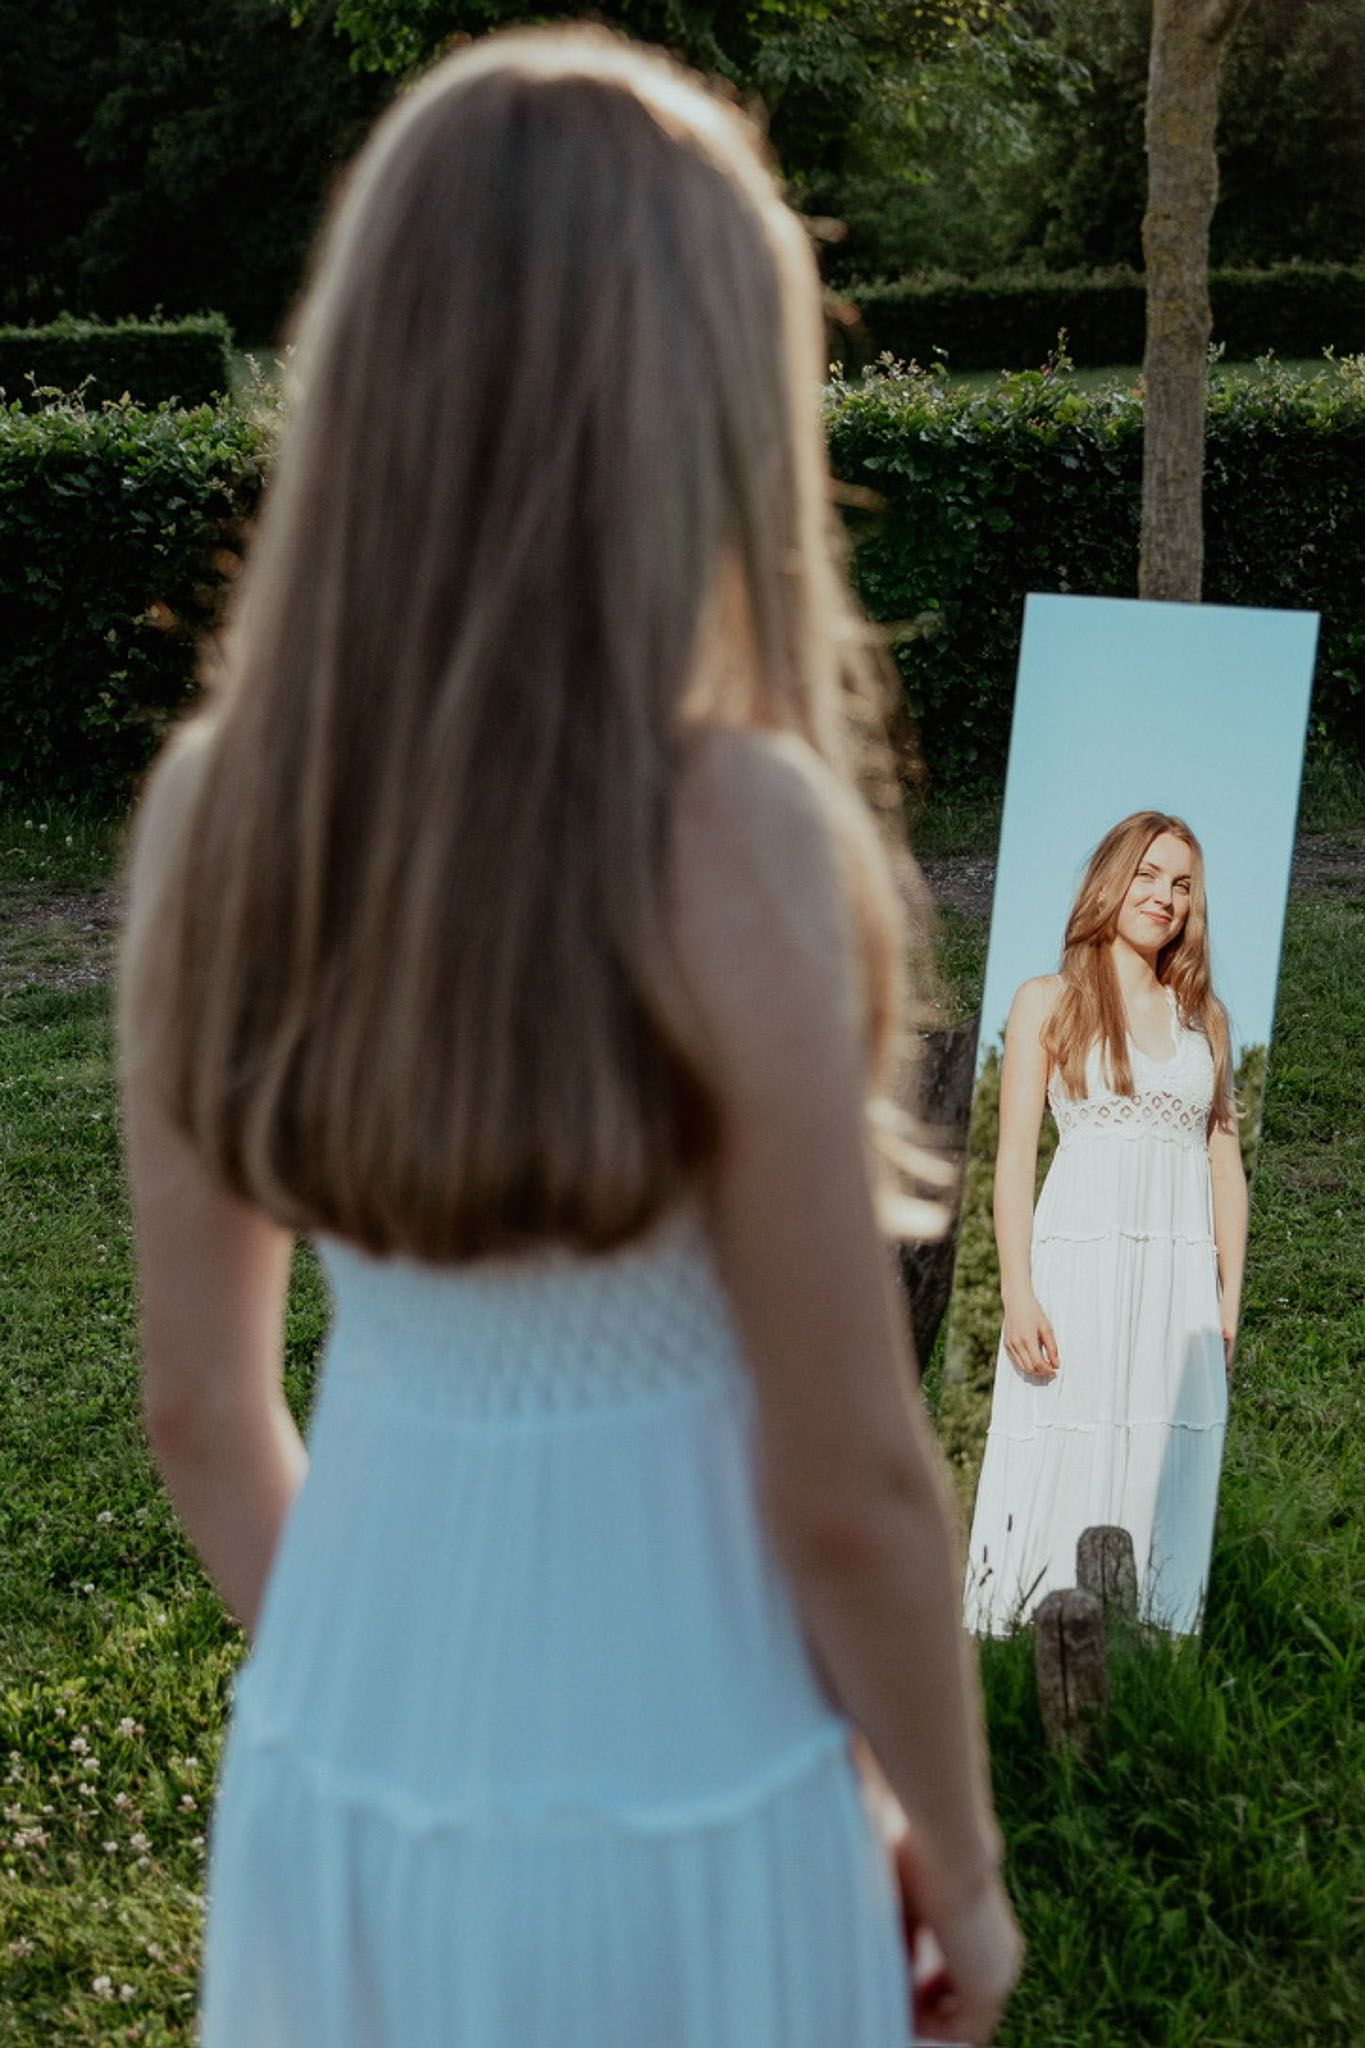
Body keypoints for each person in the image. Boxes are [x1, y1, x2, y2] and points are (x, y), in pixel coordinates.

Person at [115, 22, 1022, 2046]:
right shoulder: (740, 832)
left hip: (338, 1782)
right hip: (696, 1798)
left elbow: (200, 1410)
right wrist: (958, 1861)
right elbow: (849, 1480)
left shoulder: (213, 811)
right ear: (707, 404)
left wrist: (382, 1721)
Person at [963, 813, 1249, 1639]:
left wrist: (1226, 1302)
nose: (1164, 897)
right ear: (1110, 882)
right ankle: (1032, 1647)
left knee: (1166, 1454)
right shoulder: (1045, 1000)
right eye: (1147, 875)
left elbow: (1223, 1166)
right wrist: (1017, 1292)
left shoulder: (1205, 1018)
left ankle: (1156, 1653)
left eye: (1181, 885)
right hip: (1076, 1267)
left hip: (1178, 1281)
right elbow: (1012, 1159)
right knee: (1066, 1441)